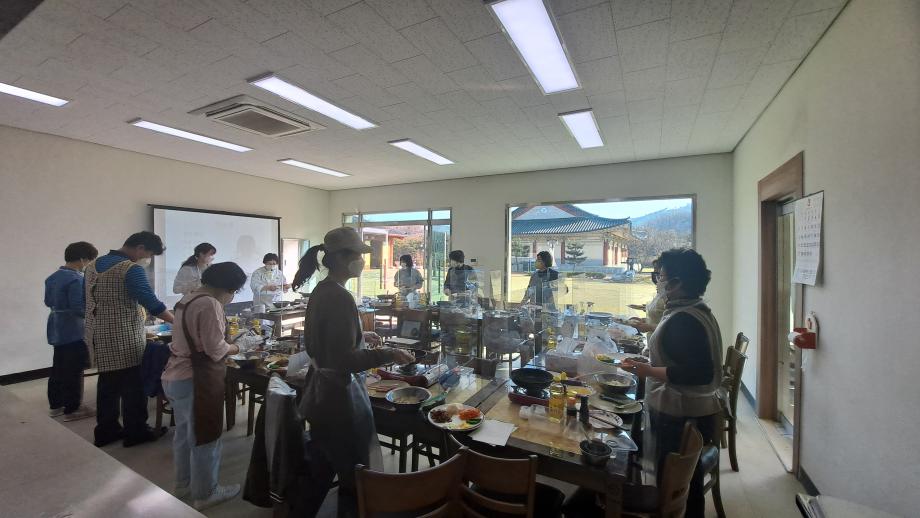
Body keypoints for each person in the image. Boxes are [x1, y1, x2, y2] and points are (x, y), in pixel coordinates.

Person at [292, 228, 415, 517]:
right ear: (341, 258)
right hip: (338, 397)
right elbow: (344, 359)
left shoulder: (324, 289)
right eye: (359, 255)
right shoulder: (339, 297)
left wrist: (361, 336)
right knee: (353, 472)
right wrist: (388, 353)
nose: (363, 261)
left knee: (322, 465)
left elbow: (328, 343)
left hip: (321, 391)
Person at [622, 248, 723, 518]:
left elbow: (698, 373)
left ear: (677, 282)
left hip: (681, 412)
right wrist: (650, 361)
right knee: (687, 483)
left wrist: (648, 370)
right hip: (693, 411)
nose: (659, 282)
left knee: (678, 484)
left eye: (661, 276)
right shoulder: (693, 310)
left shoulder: (684, 320)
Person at [161, 262, 247, 510]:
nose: (232, 297)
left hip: (175, 375)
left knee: (184, 436)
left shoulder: (187, 298)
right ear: (228, 288)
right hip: (196, 379)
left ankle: (183, 485)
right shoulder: (210, 304)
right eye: (234, 292)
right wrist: (238, 346)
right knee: (206, 436)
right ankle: (206, 493)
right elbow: (215, 349)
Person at [85, 231, 175, 448]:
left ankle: (106, 431)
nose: (147, 259)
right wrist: (178, 322)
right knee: (134, 385)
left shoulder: (92, 266)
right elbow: (150, 302)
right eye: (148, 254)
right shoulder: (130, 268)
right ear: (140, 247)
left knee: (107, 384)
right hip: (124, 335)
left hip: (98, 333)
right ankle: (136, 431)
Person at [44, 241, 98, 421]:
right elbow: (78, 308)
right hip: (73, 329)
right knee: (74, 369)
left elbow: (47, 301)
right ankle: (73, 409)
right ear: (82, 259)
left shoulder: (52, 277)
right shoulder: (77, 279)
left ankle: (56, 406)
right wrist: (95, 315)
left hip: (56, 326)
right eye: (90, 261)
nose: (89, 265)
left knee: (58, 367)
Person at [628, 260, 667, 333]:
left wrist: (650, 327)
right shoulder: (660, 293)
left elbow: (671, 327)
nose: (656, 277)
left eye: (659, 275)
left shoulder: (670, 298)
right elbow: (659, 318)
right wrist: (643, 321)